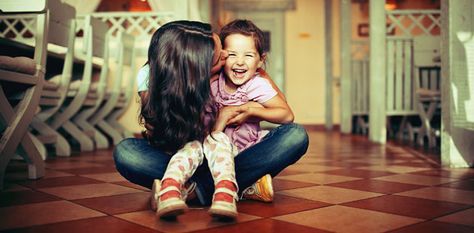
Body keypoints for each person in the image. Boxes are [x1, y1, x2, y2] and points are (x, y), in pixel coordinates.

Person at [113, 20, 309, 220]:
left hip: (231, 155)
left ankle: (189, 190)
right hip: (188, 156)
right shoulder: (152, 80)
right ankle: (232, 187)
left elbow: (283, 111)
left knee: (295, 136)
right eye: (221, 55)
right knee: (127, 153)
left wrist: (249, 107)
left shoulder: (247, 78)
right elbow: (166, 140)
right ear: (199, 68)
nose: (227, 56)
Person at [209, 19, 294, 204]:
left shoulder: (255, 84)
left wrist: (250, 111)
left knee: (296, 135)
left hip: (245, 156)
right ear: (221, 56)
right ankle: (246, 186)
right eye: (232, 54)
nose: (240, 62)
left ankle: (207, 188)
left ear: (260, 60)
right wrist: (221, 117)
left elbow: (287, 115)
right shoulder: (213, 82)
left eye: (248, 55)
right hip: (211, 159)